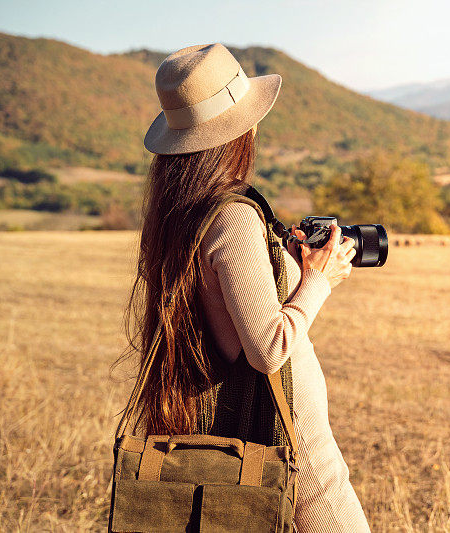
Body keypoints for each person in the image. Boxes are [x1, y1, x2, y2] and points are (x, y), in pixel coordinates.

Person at [128, 43, 371, 532]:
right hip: (288, 432)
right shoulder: (233, 219)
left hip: (249, 426)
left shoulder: (181, 217)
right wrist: (320, 279)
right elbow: (266, 346)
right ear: (241, 129)